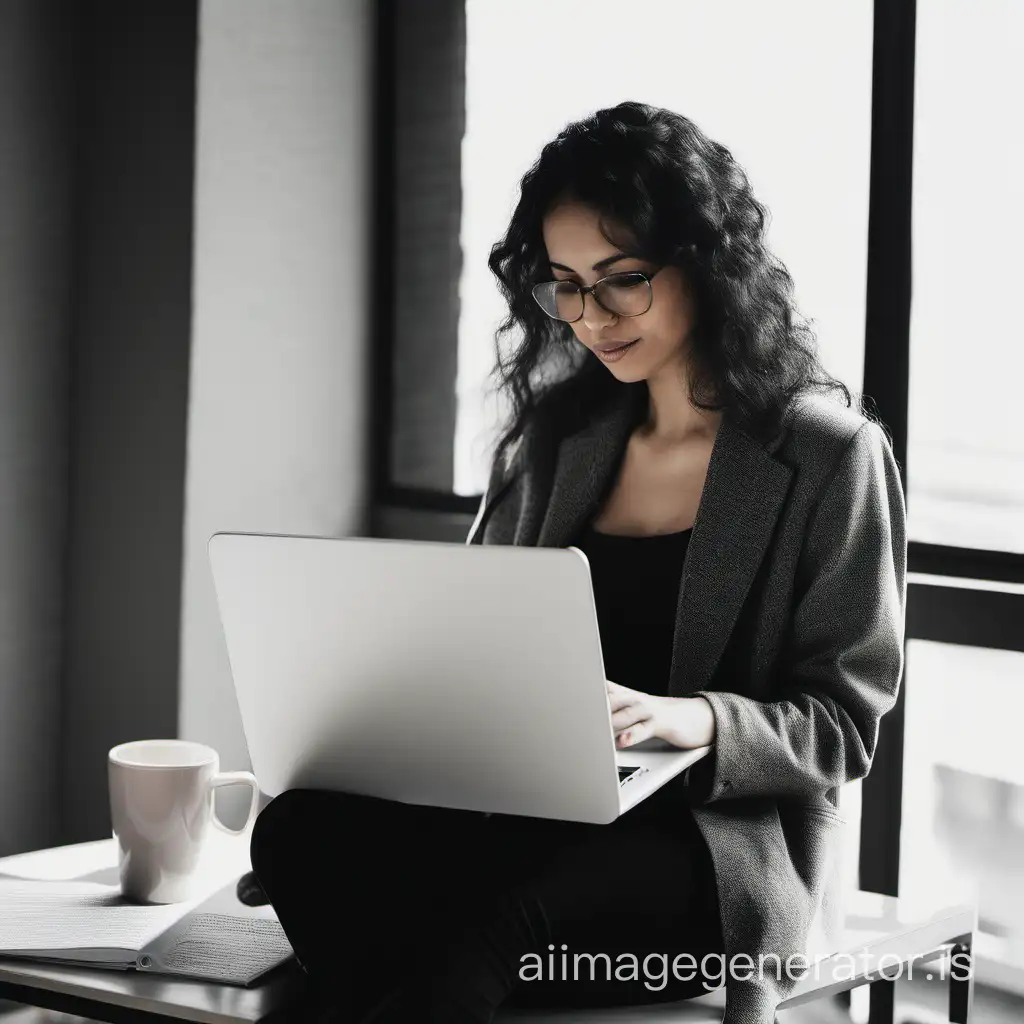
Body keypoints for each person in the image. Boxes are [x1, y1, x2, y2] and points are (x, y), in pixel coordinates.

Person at [245, 100, 907, 1024]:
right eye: (566, 284)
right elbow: (470, 638)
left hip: (703, 846)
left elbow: (844, 724)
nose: (590, 316)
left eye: (622, 278)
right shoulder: (558, 441)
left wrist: (692, 721)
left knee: (484, 937)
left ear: (708, 264)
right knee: (297, 834)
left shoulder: (827, 457)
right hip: (525, 815)